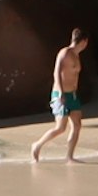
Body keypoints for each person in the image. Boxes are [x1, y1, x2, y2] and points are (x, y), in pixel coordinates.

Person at [31, 30, 88, 162]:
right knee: (60, 128)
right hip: (61, 94)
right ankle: (37, 145)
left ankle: (69, 156)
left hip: (72, 95)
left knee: (77, 125)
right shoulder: (65, 53)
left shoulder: (76, 55)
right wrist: (61, 92)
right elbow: (56, 73)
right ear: (84, 41)